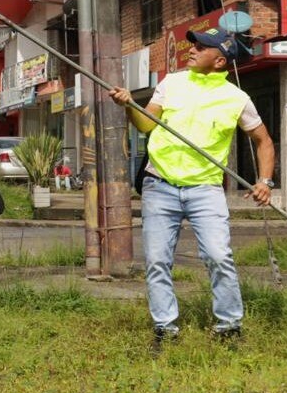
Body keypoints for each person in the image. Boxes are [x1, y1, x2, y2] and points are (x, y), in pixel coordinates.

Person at [109, 27, 274, 344]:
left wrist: (264, 181)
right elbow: (146, 124)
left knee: (218, 257)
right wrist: (130, 105)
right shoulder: (172, 83)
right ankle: (165, 329)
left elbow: (263, 141)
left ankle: (228, 327)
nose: (193, 49)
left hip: (205, 190)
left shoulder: (237, 99)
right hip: (160, 184)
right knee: (157, 261)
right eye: (194, 43)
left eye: (202, 46)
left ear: (220, 61)